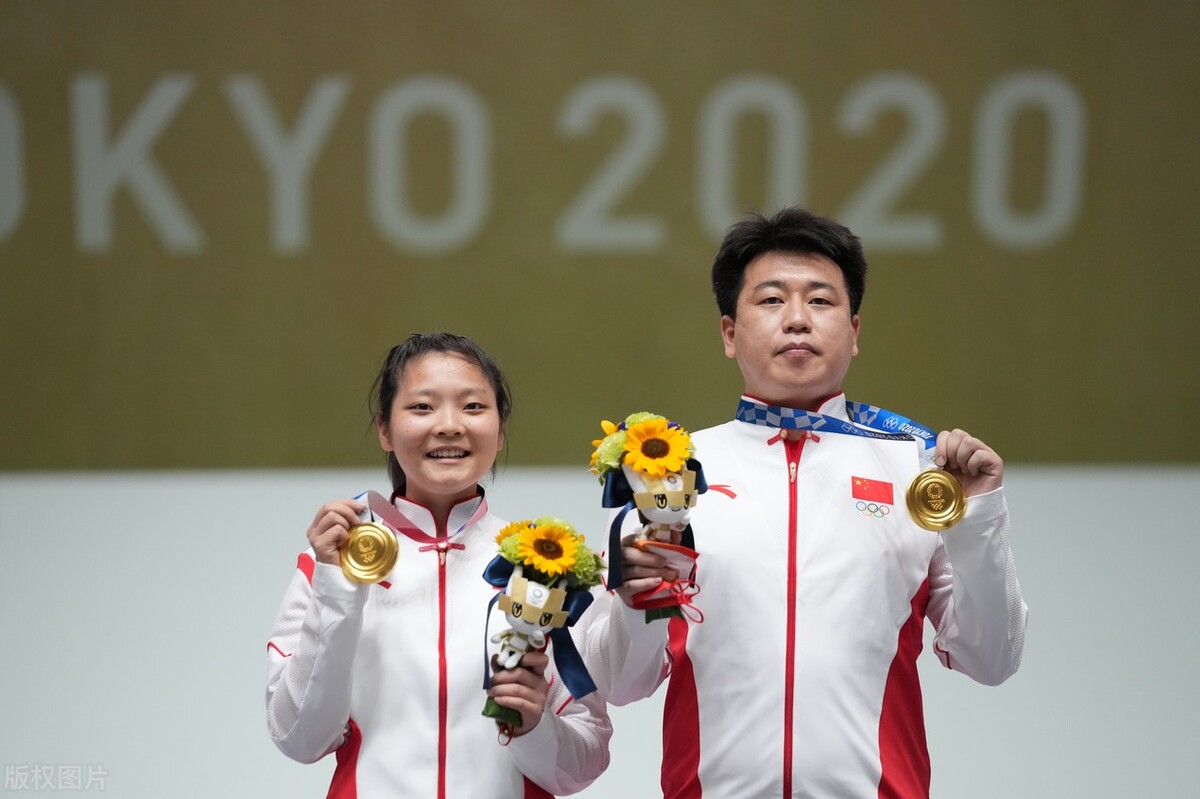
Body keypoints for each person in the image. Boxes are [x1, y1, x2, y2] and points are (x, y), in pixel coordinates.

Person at [595, 208, 1028, 798]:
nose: (797, 319)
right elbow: (622, 679)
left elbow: (992, 658)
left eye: (820, 302)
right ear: (729, 333)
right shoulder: (666, 472)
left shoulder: (918, 470)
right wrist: (638, 585)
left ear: (854, 331)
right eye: (771, 300)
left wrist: (978, 516)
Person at [265, 333, 611, 797]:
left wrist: (534, 727)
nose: (449, 426)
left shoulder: (549, 564)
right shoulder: (331, 565)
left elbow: (585, 762)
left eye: (472, 407)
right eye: (422, 407)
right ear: (384, 429)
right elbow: (299, 738)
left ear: (500, 429)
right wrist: (337, 587)